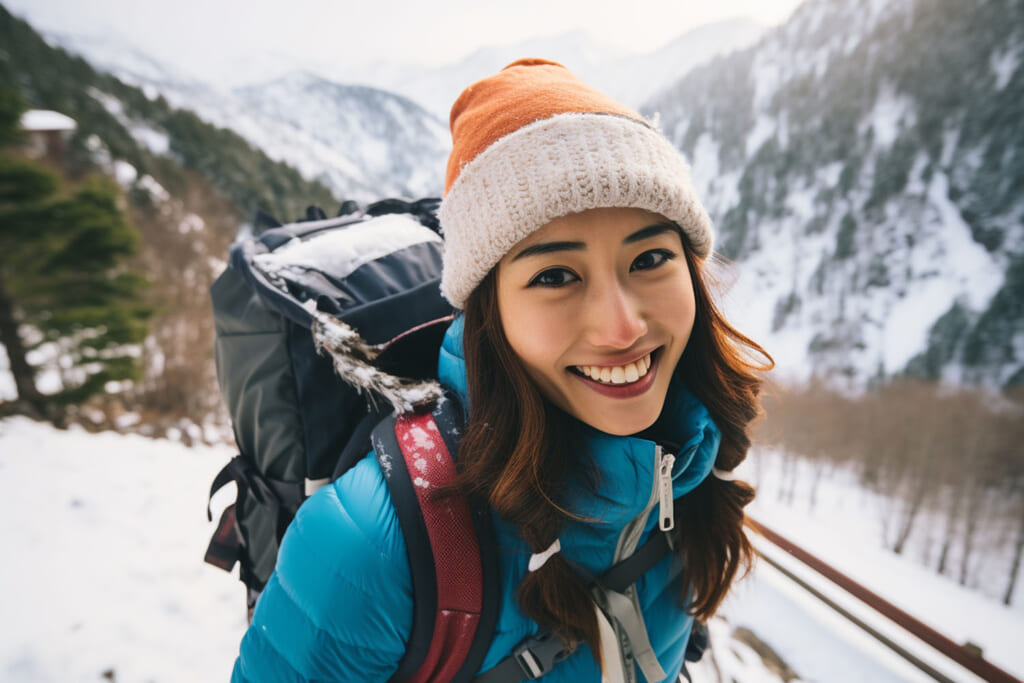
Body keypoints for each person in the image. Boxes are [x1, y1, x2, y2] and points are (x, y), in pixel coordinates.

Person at [231, 58, 772, 682]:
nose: (622, 328)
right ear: (491, 312)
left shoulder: (687, 461)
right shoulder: (372, 552)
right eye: (555, 276)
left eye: (650, 257)